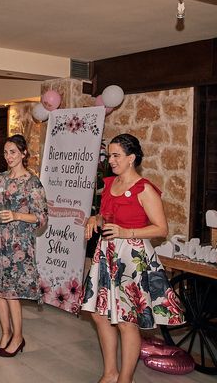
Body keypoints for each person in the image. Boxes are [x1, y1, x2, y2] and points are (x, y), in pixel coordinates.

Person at [81, 133, 184, 383]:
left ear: (131, 158)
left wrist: (126, 232)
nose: (111, 160)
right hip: (107, 255)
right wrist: (95, 219)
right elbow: (106, 215)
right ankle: (110, 372)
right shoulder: (109, 184)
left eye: (116, 156)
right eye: (109, 155)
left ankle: (125, 378)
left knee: (127, 320)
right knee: (99, 314)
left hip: (132, 257)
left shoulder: (144, 188)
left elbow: (161, 228)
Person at [0, 134, 48, 357]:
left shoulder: (32, 182)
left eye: (13, 152)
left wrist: (18, 214)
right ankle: (5, 334)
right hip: (0, 240)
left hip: (20, 243)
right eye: (6, 152)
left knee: (12, 292)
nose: (8, 157)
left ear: (23, 153)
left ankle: (18, 337)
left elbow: (42, 217)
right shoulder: (0, 178)